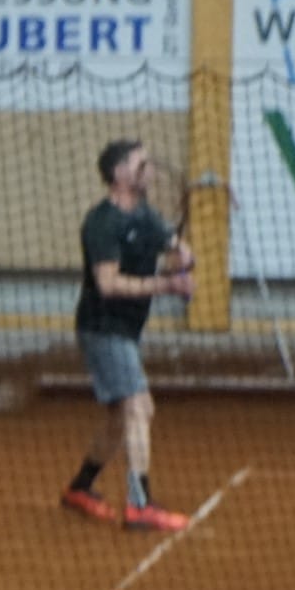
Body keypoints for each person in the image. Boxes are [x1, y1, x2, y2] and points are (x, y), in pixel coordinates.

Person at [60, 138, 195, 533]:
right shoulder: (102, 223)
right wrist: (166, 286)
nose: (150, 169)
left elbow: (175, 246)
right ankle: (140, 505)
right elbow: (108, 284)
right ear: (119, 174)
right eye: (141, 163)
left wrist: (183, 258)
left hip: (126, 329)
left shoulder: (145, 215)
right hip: (103, 328)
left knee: (119, 417)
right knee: (139, 406)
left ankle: (80, 488)